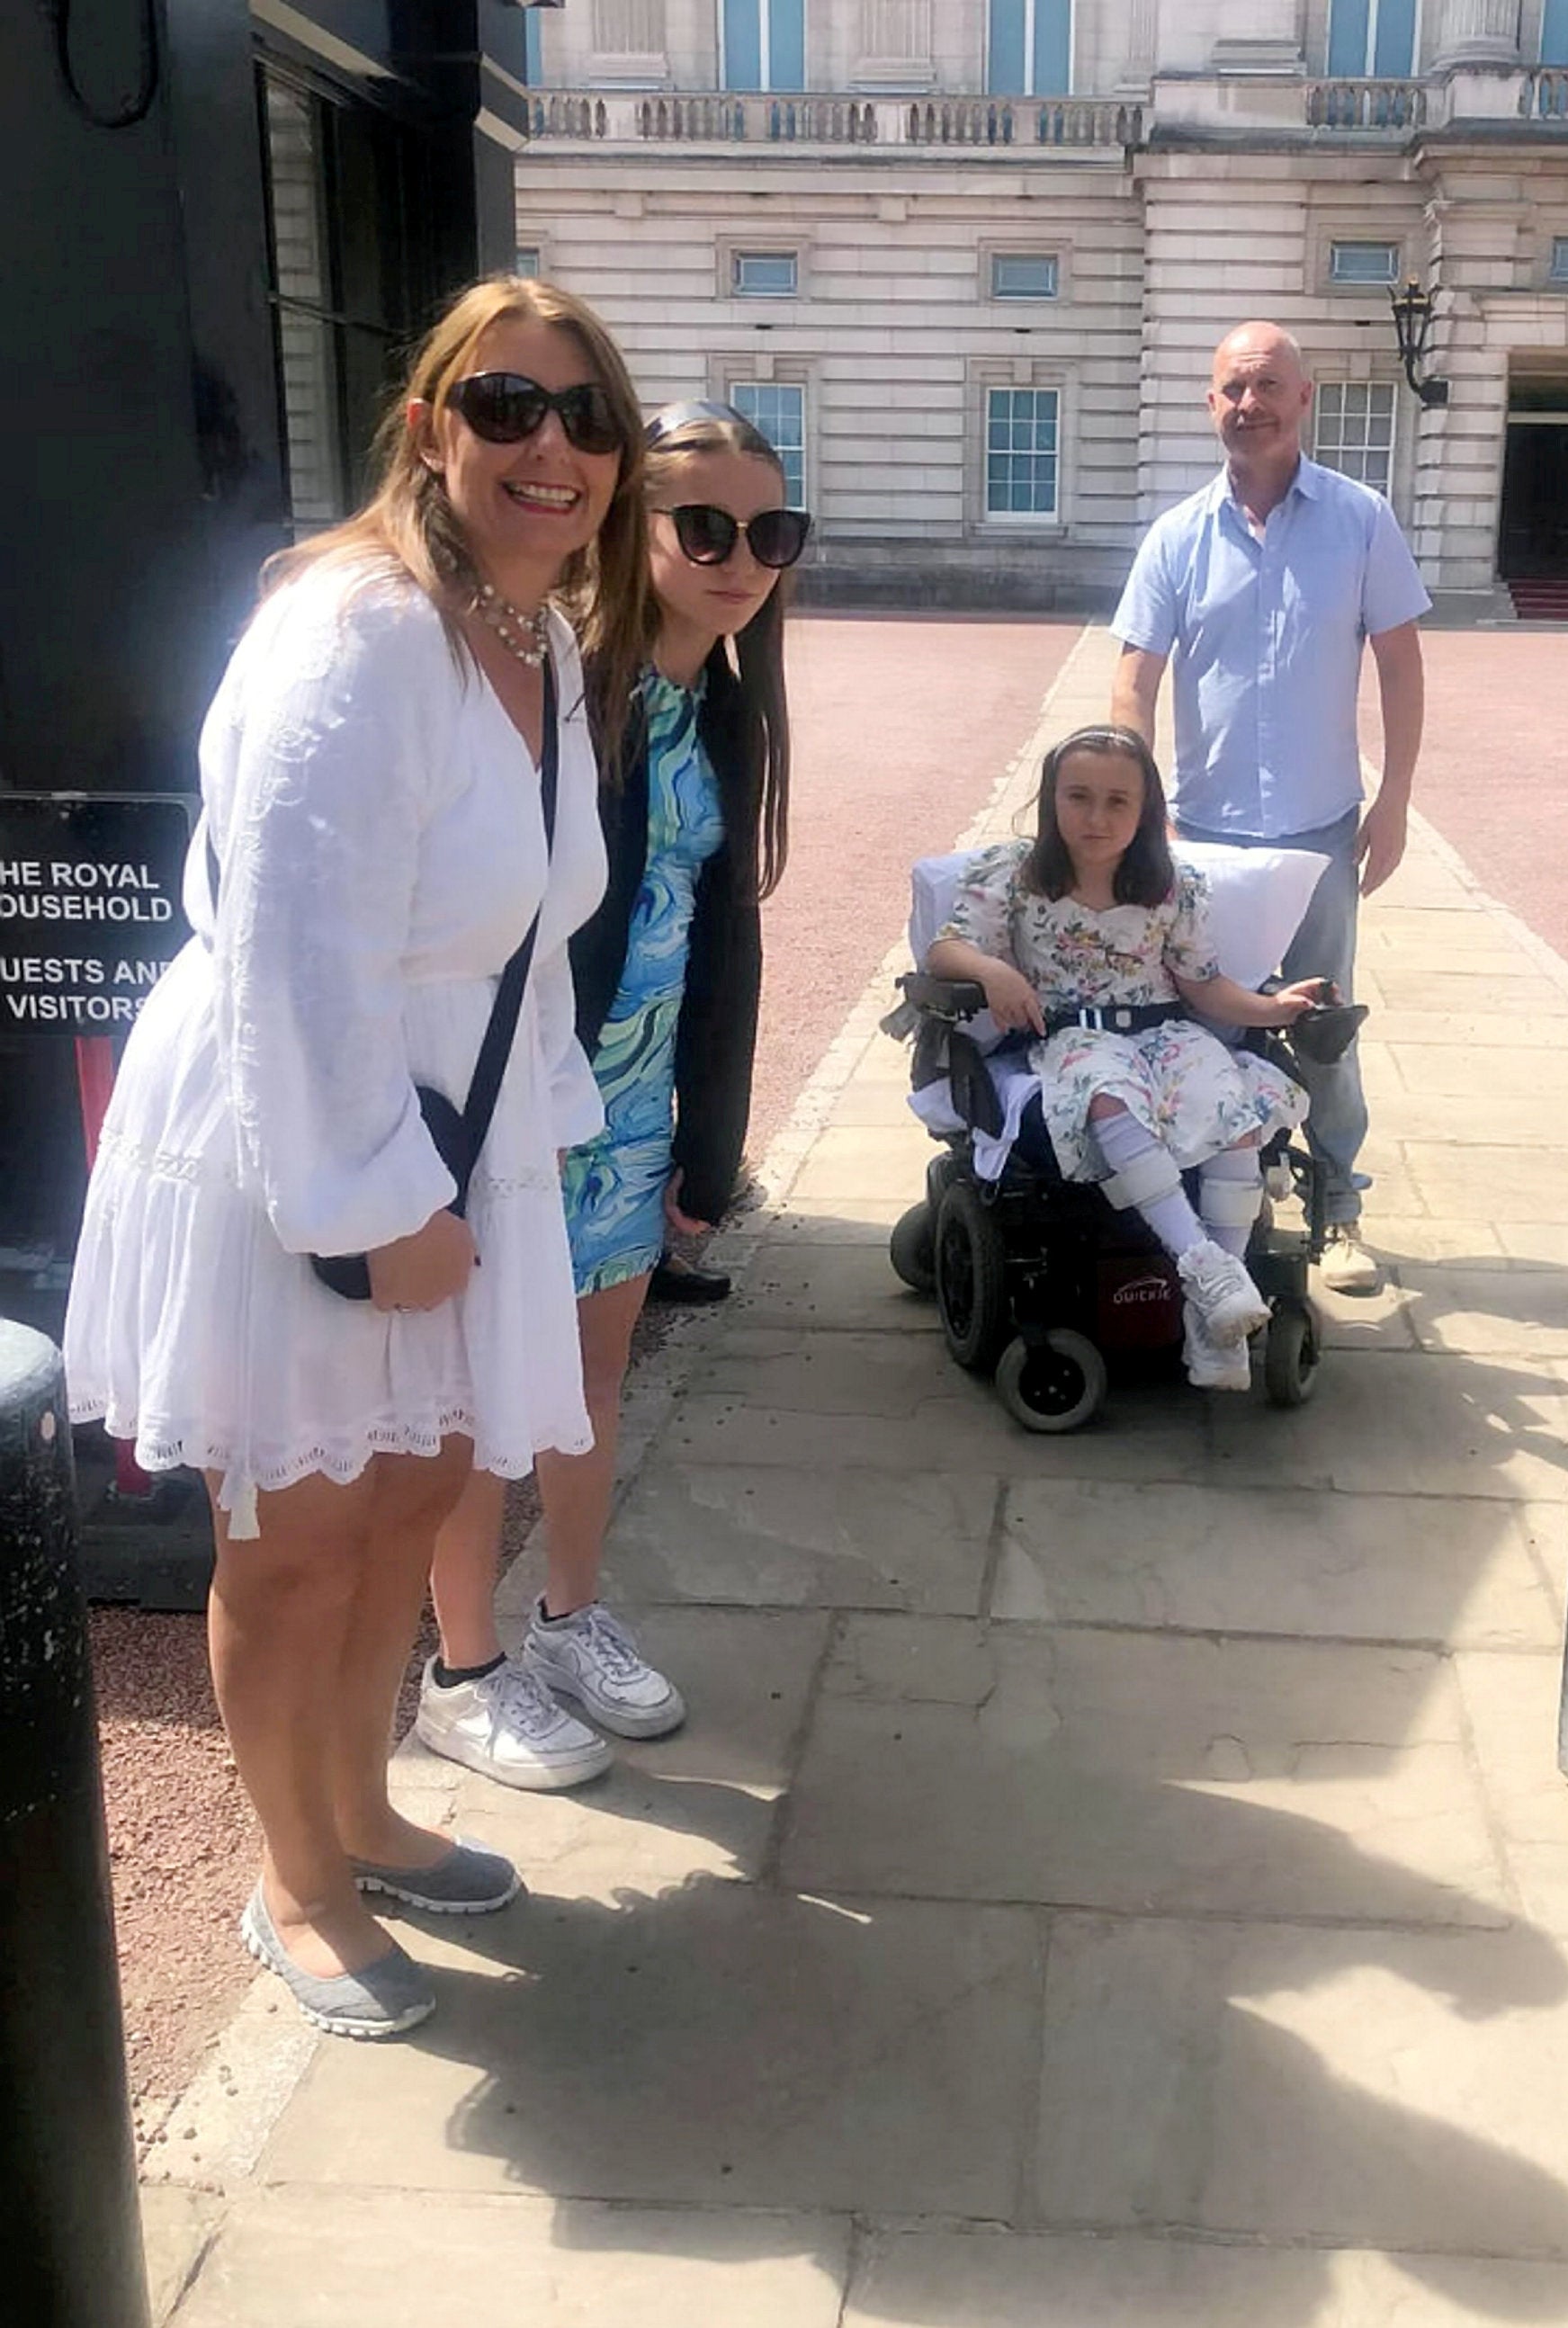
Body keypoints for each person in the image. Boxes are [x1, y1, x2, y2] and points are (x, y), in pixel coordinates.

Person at [62, 278, 646, 2036]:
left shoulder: (533, 635)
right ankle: (290, 1879)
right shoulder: (360, 630)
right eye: (511, 408)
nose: (552, 449)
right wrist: (374, 1207)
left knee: (414, 1490)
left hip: (459, 1136)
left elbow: (529, 935)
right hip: (301, 1132)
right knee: (299, 1532)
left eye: (588, 419)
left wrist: (520, 1159)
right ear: (432, 427)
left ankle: (368, 1808)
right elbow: (294, 949)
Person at [418, 400, 802, 1789]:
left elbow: (718, 936)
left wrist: (712, 1143)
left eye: (770, 532)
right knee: (477, 1389)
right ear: (634, 523)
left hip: (630, 1106)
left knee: (587, 1376)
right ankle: (460, 1670)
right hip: (522, 1095)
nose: (739, 555)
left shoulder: (721, 703)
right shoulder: (561, 681)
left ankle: (567, 1615)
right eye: (704, 524)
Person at [1108, 321, 1429, 1298]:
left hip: (1320, 827)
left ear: (1305, 397)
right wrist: (1139, 804)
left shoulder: (1361, 519)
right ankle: (1217, 1205)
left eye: (1267, 386)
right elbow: (1132, 680)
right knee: (1199, 1020)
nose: (1249, 405)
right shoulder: (1175, 536)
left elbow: (1403, 665)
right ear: (1211, 405)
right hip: (1200, 832)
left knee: (1323, 1023)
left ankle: (1338, 1205)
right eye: (1231, 389)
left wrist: (1397, 799)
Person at [927, 724, 1325, 1391]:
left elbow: (1202, 985)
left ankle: (1213, 1315)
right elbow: (947, 948)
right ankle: (1202, 1266)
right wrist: (994, 973)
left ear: (1145, 811)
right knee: (1108, 1097)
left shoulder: (1172, 884)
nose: (1096, 816)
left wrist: (1276, 1008)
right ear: (1051, 800)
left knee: (1233, 1106)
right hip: (1073, 1037)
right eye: (1078, 797)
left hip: (1166, 1031)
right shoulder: (1016, 876)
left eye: (1118, 801)